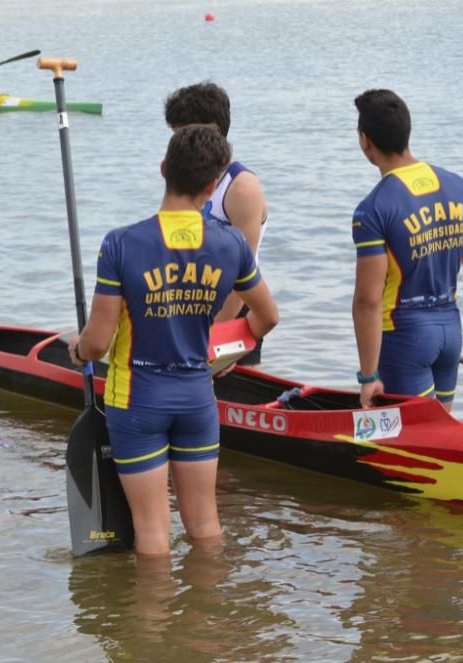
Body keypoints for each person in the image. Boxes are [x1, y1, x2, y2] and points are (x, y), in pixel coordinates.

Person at [67, 126, 279, 556]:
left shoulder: (121, 245)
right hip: (197, 396)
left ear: (163, 169)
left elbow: (98, 344)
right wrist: (217, 350)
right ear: (212, 185)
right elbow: (267, 317)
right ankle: (204, 619)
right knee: (204, 526)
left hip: (137, 401)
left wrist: (75, 349)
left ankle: (154, 624)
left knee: (152, 534)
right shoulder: (231, 244)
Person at [351, 89, 463, 411]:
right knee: (438, 438)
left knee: (411, 442)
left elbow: (367, 301)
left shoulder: (372, 209)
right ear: (407, 131)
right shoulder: (460, 188)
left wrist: (368, 376)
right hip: (450, 329)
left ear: (365, 141)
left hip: (404, 338)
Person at [165, 82, 269, 368]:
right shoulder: (190, 179)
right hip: (193, 300)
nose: (176, 146)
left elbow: (241, 277)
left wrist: (212, 340)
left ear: (212, 131)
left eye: (182, 135)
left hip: (233, 306)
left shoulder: (242, 188)